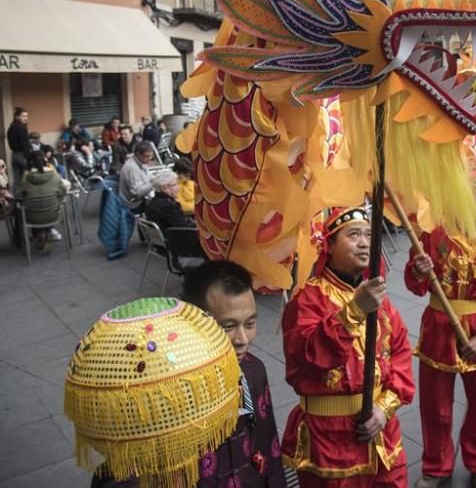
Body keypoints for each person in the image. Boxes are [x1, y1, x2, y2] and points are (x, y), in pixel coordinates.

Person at [92, 261, 286, 488]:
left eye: (250, 323)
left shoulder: (253, 371)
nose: (243, 339)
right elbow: (128, 469)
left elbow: (267, 445)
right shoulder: (163, 390)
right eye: (228, 326)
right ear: (192, 323)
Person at [281, 207, 414, 487]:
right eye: (353, 235)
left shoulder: (380, 299)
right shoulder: (307, 300)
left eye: (368, 234)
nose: (365, 242)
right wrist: (353, 312)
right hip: (329, 438)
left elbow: (400, 353)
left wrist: (384, 407)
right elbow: (306, 357)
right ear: (328, 244)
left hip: (380, 432)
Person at [406, 172, 476, 488]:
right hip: (439, 331)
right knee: (436, 406)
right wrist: (418, 268)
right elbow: (415, 286)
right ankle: (436, 466)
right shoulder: (434, 236)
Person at [18, 152, 67, 251]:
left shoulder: (25, 178)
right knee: (53, 203)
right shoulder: (54, 175)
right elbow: (63, 191)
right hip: (53, 215)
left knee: (28, 208)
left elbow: (20, 195)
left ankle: (37, 234)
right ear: (46, 161)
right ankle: (48, 231)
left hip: (31, 217)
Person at [145, 170, 195, 235]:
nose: (178, 187)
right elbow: (182, 226)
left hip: (164, 237)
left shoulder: (153, 202)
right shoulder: (167, 205)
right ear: (164, 188)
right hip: (174, 239)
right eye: (175, 185)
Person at [119, 141, 155, 212]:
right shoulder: (132, 168)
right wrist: (154, 183)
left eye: (151, 156)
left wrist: (157, 179)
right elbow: (137, 193)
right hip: (134, 205)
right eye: (147, 156)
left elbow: (148, 176)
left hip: (140, 199)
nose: (150, 158)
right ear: (138, 154)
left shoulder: (141, 161)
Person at [6, 107, 31, 184]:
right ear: (17, 117)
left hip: (14, 155)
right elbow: (25, 144)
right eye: (23, 116)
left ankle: (17, 196)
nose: (26, 118)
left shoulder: (11, 127)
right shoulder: (21, 128)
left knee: (17, 180)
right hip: (22, 155)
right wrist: (28, 158)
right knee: (26, 179)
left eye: (26, 116)